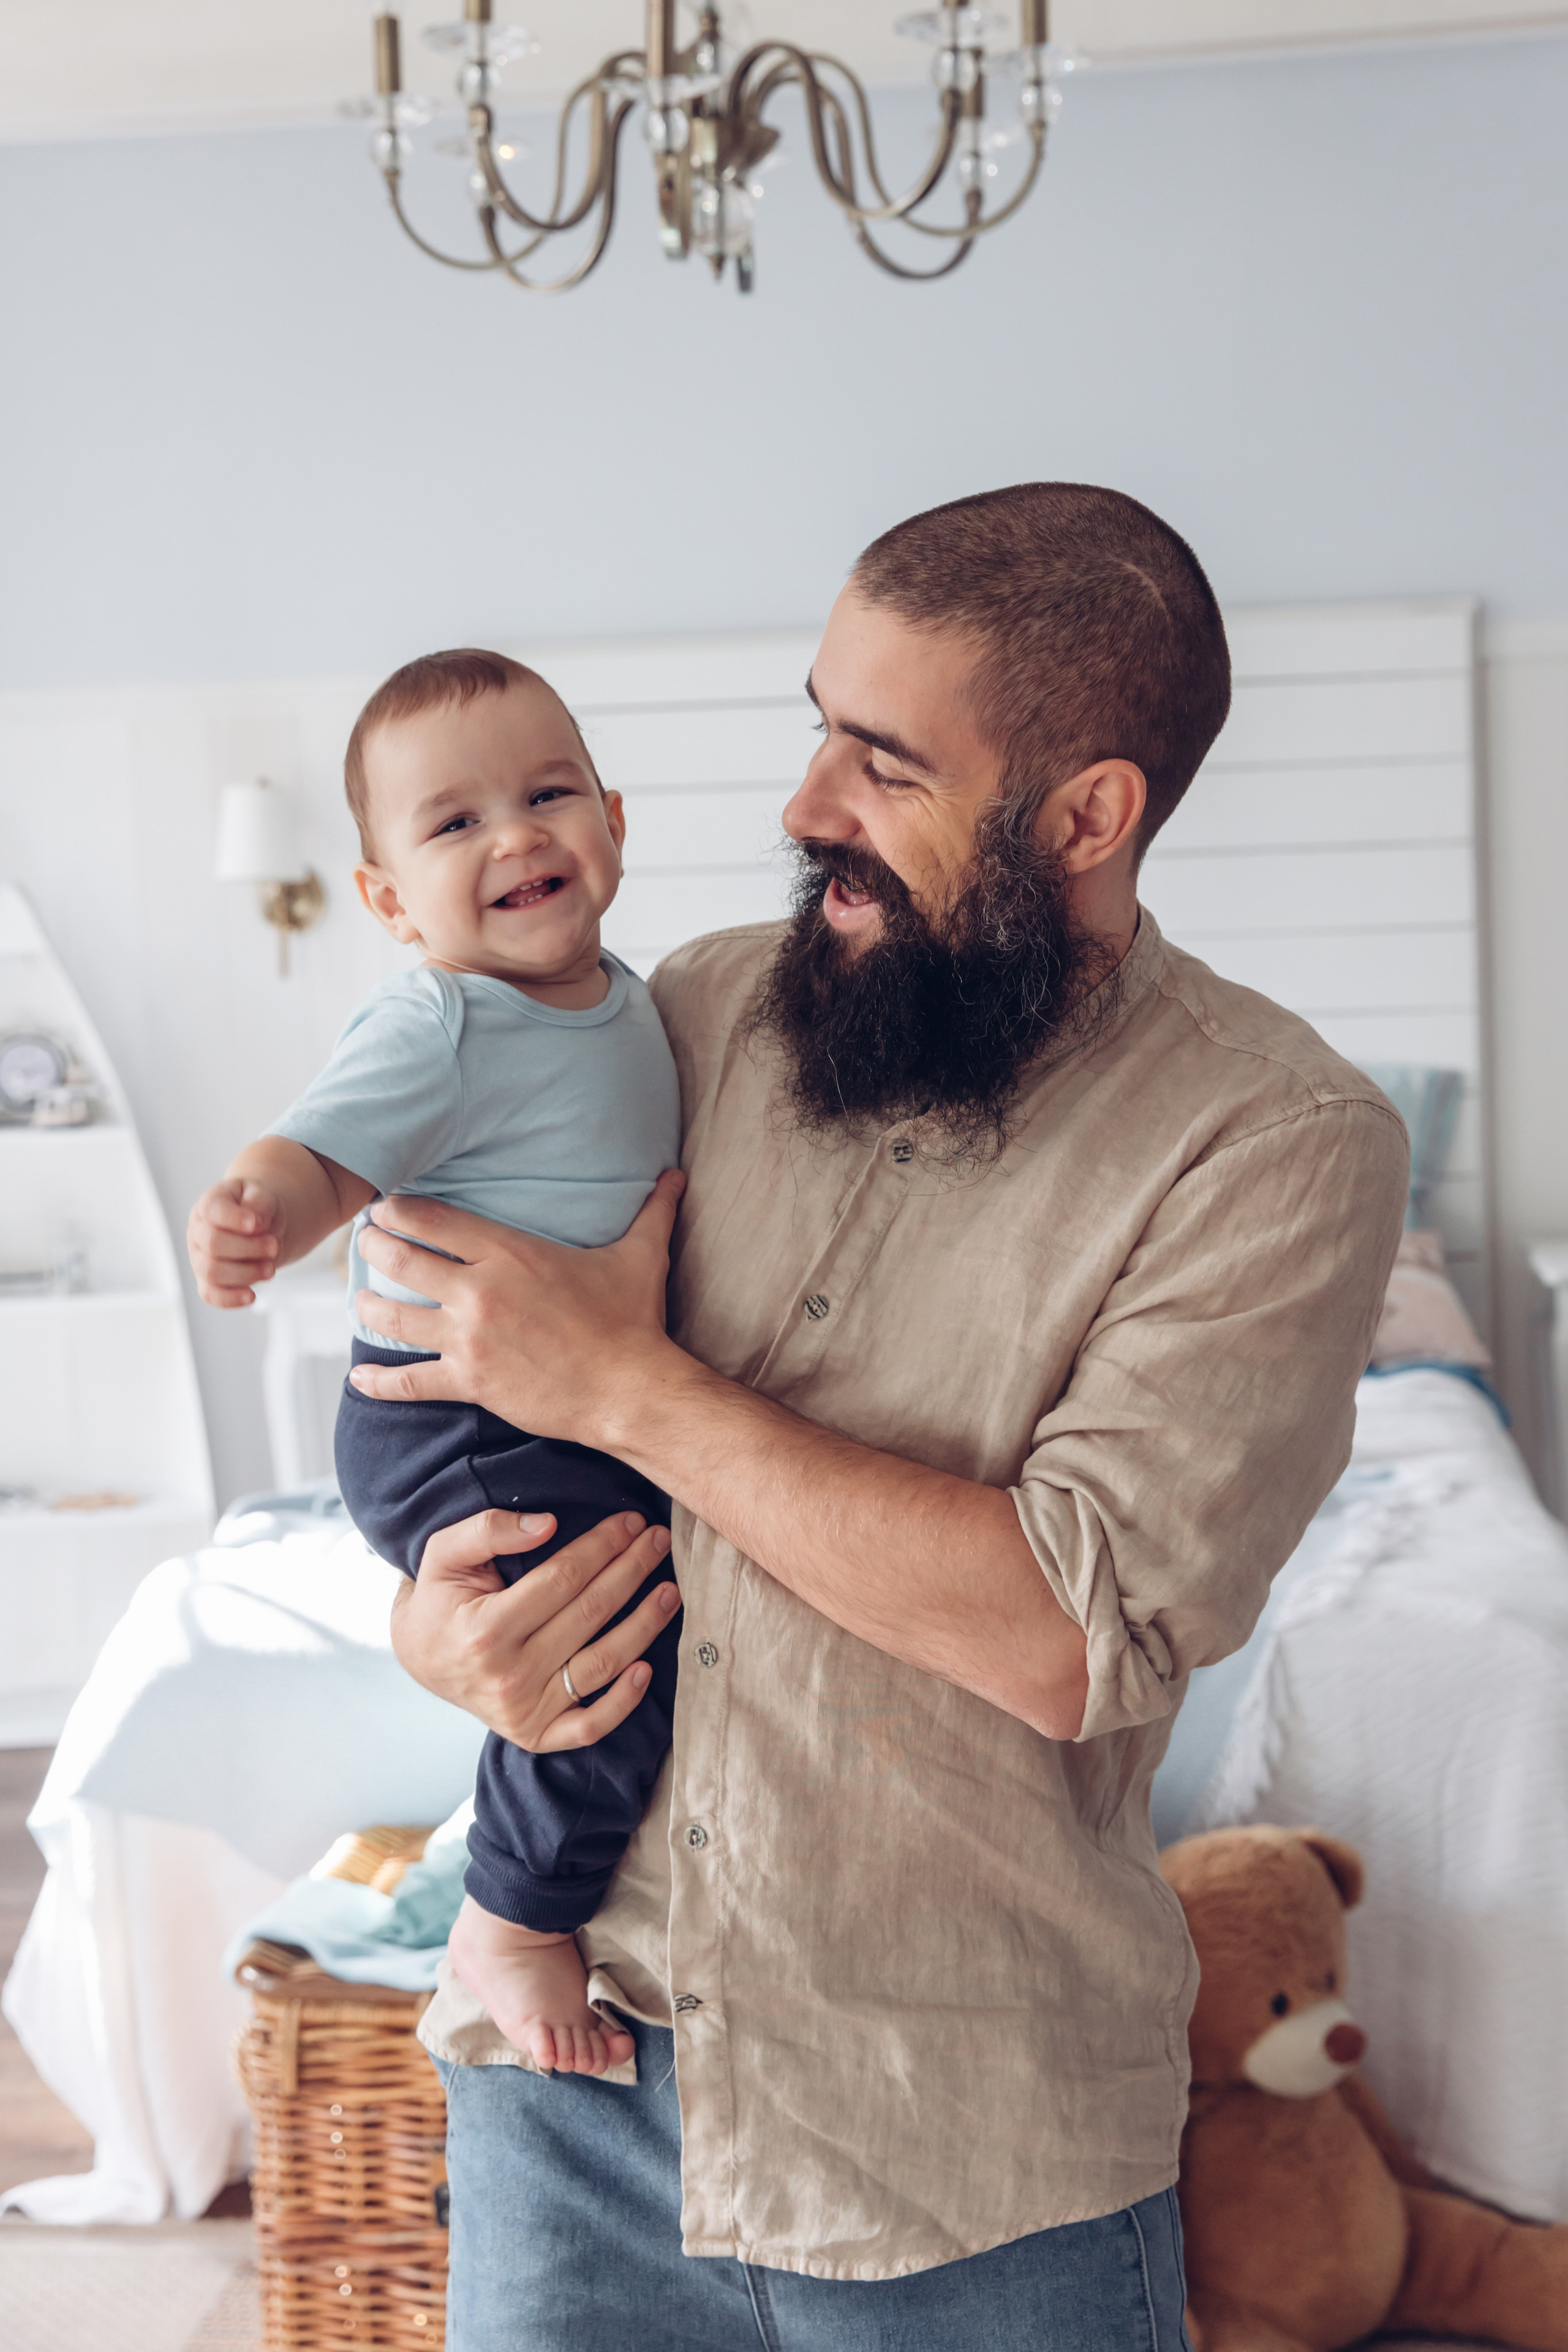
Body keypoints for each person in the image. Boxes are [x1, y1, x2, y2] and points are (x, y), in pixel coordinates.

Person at [350, 484, 1411, 2351]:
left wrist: (626, 1389)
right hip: (571, 2079)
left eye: (883, 762)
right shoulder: (684, 1013)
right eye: (818, 727)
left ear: (1086, 815)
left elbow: (1070, 1633)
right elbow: (455, 1363)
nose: (805, 804)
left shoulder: (1277, 1142)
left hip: (970, 2158)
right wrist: (434, 1632)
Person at [185, 650, 685, 2075]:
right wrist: (260, 1211)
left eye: (548, 795)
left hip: (554, 1406)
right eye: (456, 822)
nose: (515, 836)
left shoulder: (637, 998)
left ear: (614, 824)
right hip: (455, 1418)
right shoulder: (442, 1018)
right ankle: (512, 1919)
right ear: (390, 901)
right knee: (602, 1655)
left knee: (640, 1617)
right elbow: (320, 1152)